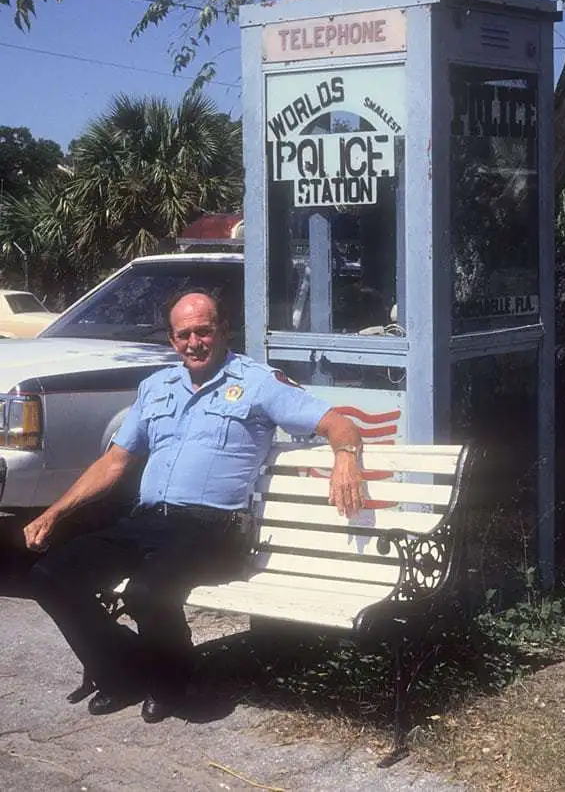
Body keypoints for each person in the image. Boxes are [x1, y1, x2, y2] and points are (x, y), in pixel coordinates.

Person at [24, 289, 364, 723]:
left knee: (147, 591)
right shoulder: (155, 388)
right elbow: (114, 462)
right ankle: (120, 671)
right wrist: (53, 513)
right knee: (49, 574)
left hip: (213, 530)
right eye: (184, 334)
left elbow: (338, 424)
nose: (194, 342)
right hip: (145, 523)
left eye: (204, 331)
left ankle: (171, 679)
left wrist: (346, 459)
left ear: (223, 330)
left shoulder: (258, 384)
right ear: (172, 340)